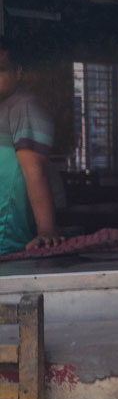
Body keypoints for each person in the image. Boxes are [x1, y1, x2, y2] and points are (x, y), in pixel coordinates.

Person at [0, 36, 62, 254]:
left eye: (1, 70)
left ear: (18, 71)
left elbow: (35, 171)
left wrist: (46, 230)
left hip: (7, 241)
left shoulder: (24, 106)